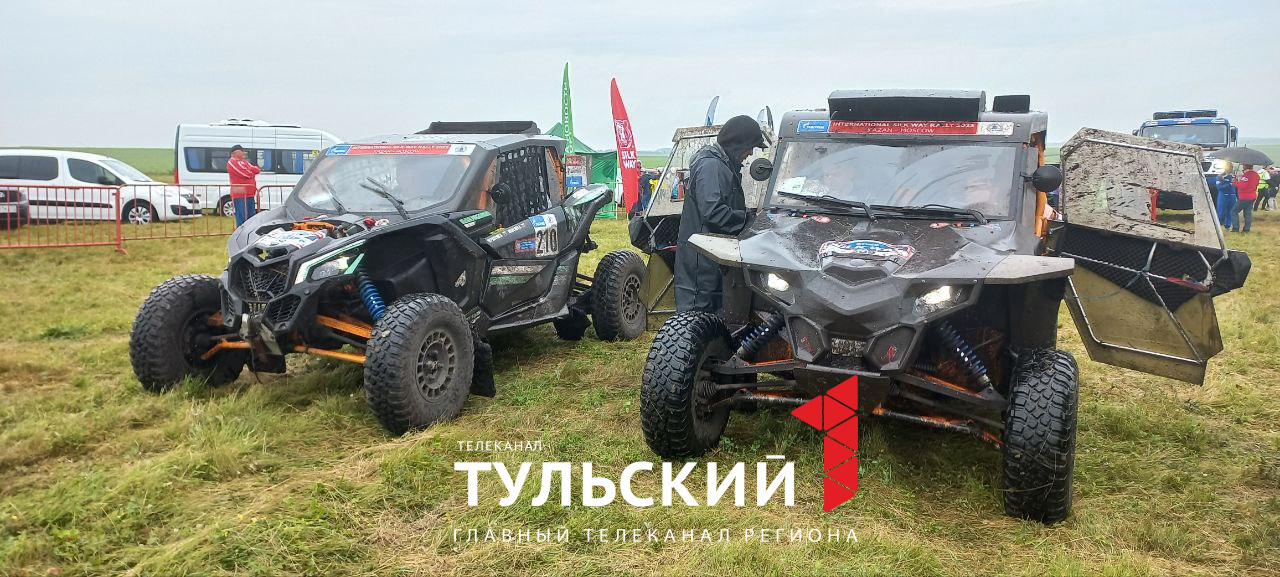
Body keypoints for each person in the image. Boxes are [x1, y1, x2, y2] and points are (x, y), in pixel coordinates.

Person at [674, 115, 766, 313]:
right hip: (702, 264)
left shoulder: (722, 165)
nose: (750, 153)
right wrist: (751, 220)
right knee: (697, 318)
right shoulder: (711, 166)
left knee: (715, 317)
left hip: (711, 259)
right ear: (738, 144)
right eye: (750, 147)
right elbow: (714, 212)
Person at [226, 145, 261, 226]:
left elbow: (257, 170)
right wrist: (251, 172)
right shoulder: (232, 162)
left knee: (251, 218)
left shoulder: (244, 162)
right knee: (241, 218)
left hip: (250, 194)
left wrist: (250, 170)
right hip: (239, 195)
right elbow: (246, 174)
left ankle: (250, 232)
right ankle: (241, 233)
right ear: (236, 152)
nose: (244, 153)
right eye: (242, 151)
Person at [1232, 163, 1259, 233]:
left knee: (1234, 211)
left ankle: (1235, 228)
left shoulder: (1247, 175)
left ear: (1247, 166)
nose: (1242, 166)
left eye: (1243, 165)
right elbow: (1255, 184)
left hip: (1244, 197)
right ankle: (1246, 229)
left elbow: (1242, 186)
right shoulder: (1256, 175)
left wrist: (1235, 182)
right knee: (1247, 213)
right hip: (1252, 196)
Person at [1215, 161, 1237, 230]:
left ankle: (1228, 226)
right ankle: (1219, 223)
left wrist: (1238, 196)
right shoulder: (1220, 176)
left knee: (1231, 212)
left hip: (1232, 196)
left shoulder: (1234, 177)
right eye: (1229, 167)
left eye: (1231, 167)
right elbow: (1219, 187)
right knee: (1221, 212)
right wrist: (1229, 184)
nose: (1230, 168)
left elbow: (1237, 188)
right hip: (1223, 196)